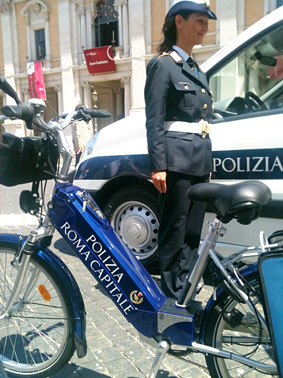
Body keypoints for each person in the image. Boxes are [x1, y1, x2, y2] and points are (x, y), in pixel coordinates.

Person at [144, 0, 217, 300]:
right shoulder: (163, 65)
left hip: (198, 161)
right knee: (175, 230)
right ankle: (172, 297)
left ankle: (185, 284)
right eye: (199, 21)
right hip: (174, 162)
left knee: (192, 231)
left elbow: (202, 122)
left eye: (206, 23)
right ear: (179, 22)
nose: (204, 28)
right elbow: (155, 119)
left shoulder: (195, 69)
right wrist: (158, 164)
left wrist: (207, 161)